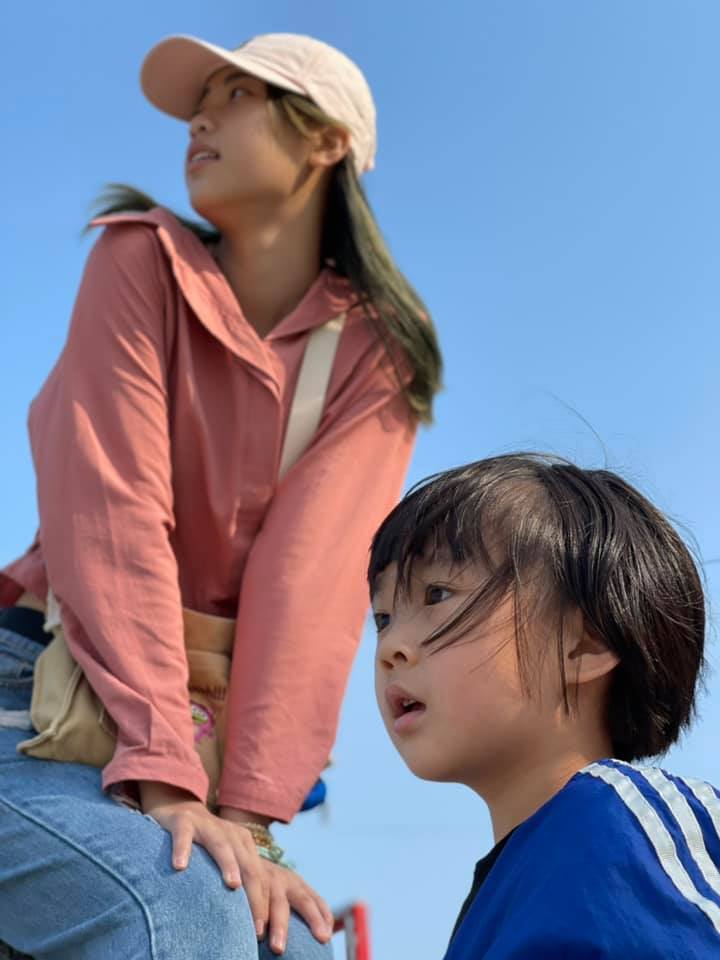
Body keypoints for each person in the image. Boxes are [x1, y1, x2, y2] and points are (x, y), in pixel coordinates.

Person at [0, 31, 441, 960]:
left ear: (326, 141)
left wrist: (247, 819)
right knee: (182, 914)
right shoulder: (139, 259)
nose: (199, 120)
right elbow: (112, 513)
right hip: (38, 698)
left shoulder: (378, 353)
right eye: (199, 103)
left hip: (201, 741)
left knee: (298, 948)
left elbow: (311, 586)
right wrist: (168, 777)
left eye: (238, 95)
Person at [369, 453, 719, 959]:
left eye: (437, 594)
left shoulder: (624, 832)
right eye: (382, 619)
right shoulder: (499, 901)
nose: (390, 647)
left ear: (583, 644)